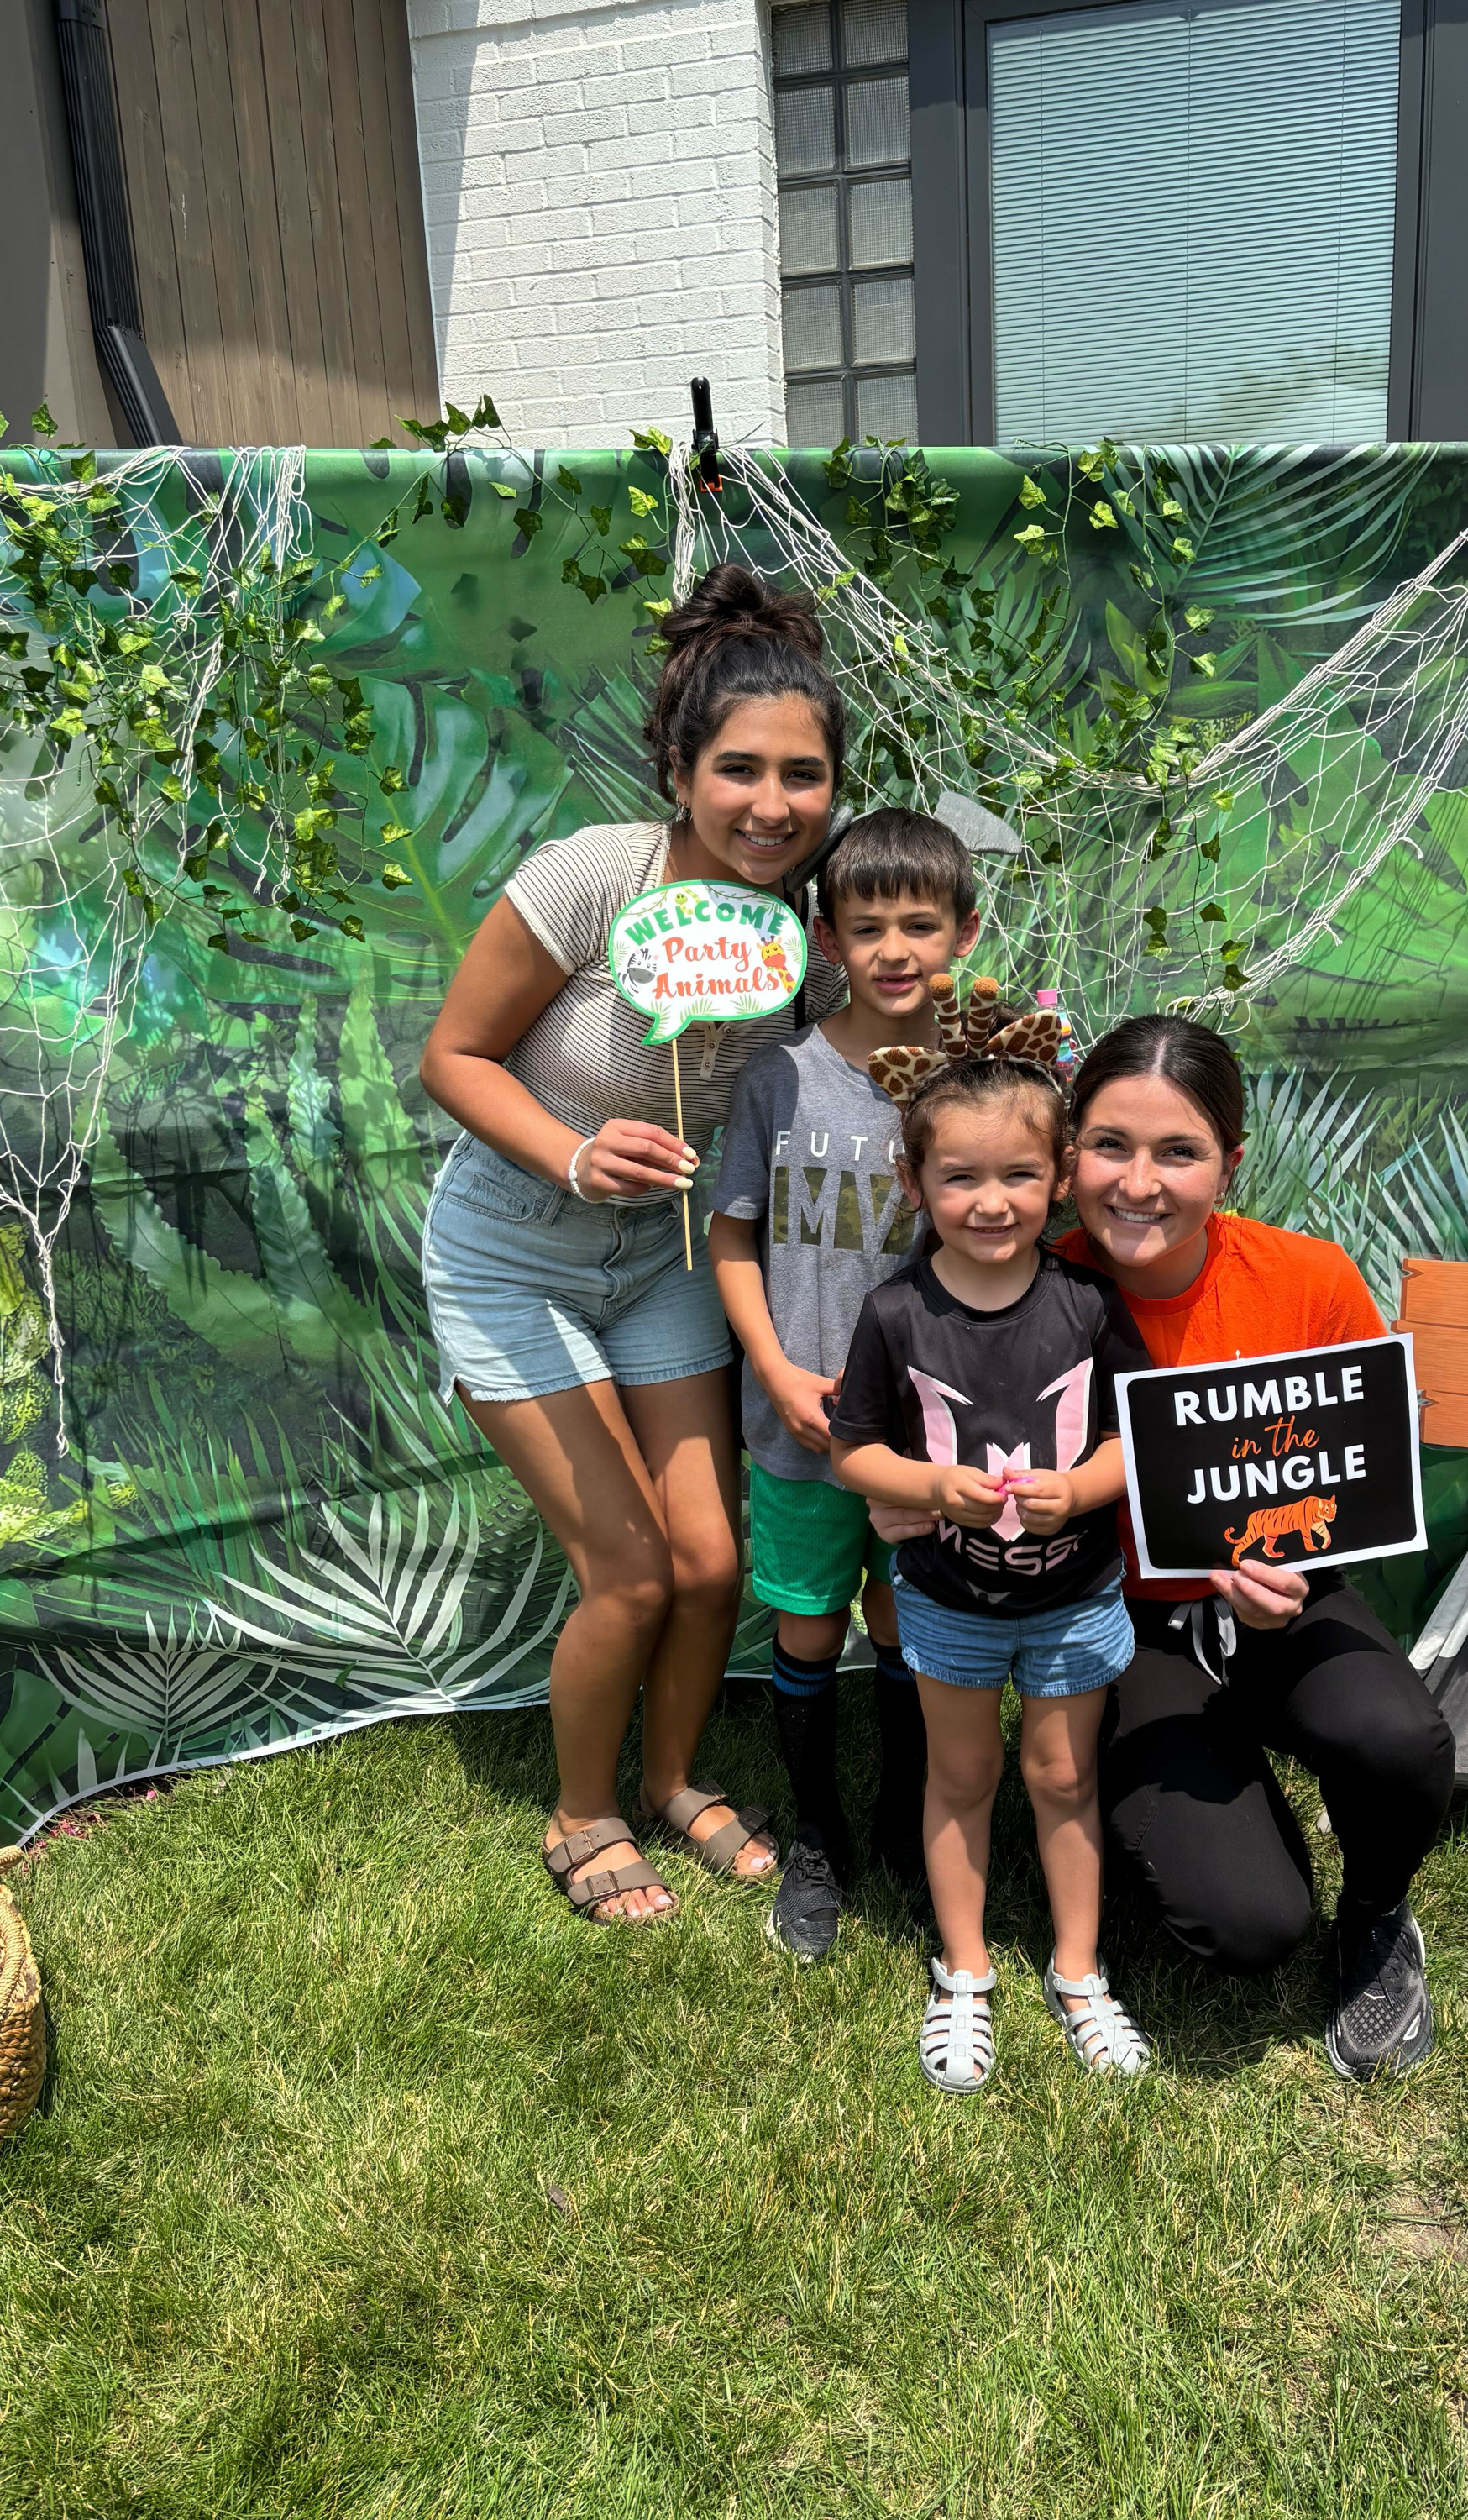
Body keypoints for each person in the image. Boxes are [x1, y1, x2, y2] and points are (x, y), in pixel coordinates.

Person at [417, 564, 850, 1924]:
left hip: (665, 1265)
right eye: (739, 770)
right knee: (631, 1566)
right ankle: (581, 1809)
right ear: (677, 768)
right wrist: (570, 1149)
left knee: (712, 1562)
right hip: (516, 1253)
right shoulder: (593, 877)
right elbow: (453, 1056)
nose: (773, 805)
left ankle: (670, 1779)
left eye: (804, 774)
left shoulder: (811, 920)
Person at [1056, 1015, 1456, 2079]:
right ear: (1068, 1154)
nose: (1138, 1183)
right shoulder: (1029, 1286)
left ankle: (1375, 1915)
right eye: (1110, 1146)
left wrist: (1294, 1576)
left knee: (1395, 1738)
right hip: (1115, 1623)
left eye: (1178, 1152)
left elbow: (1357, 1485)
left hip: (1281, 1593)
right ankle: (1106, 1791)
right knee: (1249, 1926)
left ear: (1230, 1165)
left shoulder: (1306, 1278)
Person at [828, 1058, 1152, 2094]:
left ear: (1058, 1177)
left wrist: (1088, 1490)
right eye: (959, 1176)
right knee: (960, 1776)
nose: (990, 1201)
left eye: (1018, 1173)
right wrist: (930, 1486)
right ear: (913, 1183)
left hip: (1075, 1596)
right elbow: (854, 1453)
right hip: (948, 1599)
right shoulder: (893, 1315)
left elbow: (1132, 1438)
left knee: (1065, 1778)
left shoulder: (1090, 1306)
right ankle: (963, 1974)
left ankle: (1077, 1972)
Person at [709, 810, 979, 1962]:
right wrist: (771, 1366)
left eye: (920, 924)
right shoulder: (777, 1078)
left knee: (908, 1629)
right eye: (866, 926)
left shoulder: (982, 1078)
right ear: (825, 937)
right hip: (800, 1429)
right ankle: (816, 1833)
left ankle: (915, 1829)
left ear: (963, 933)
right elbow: (730, 1239)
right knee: (810, 1629)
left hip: (925, 1441)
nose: (894, 948)